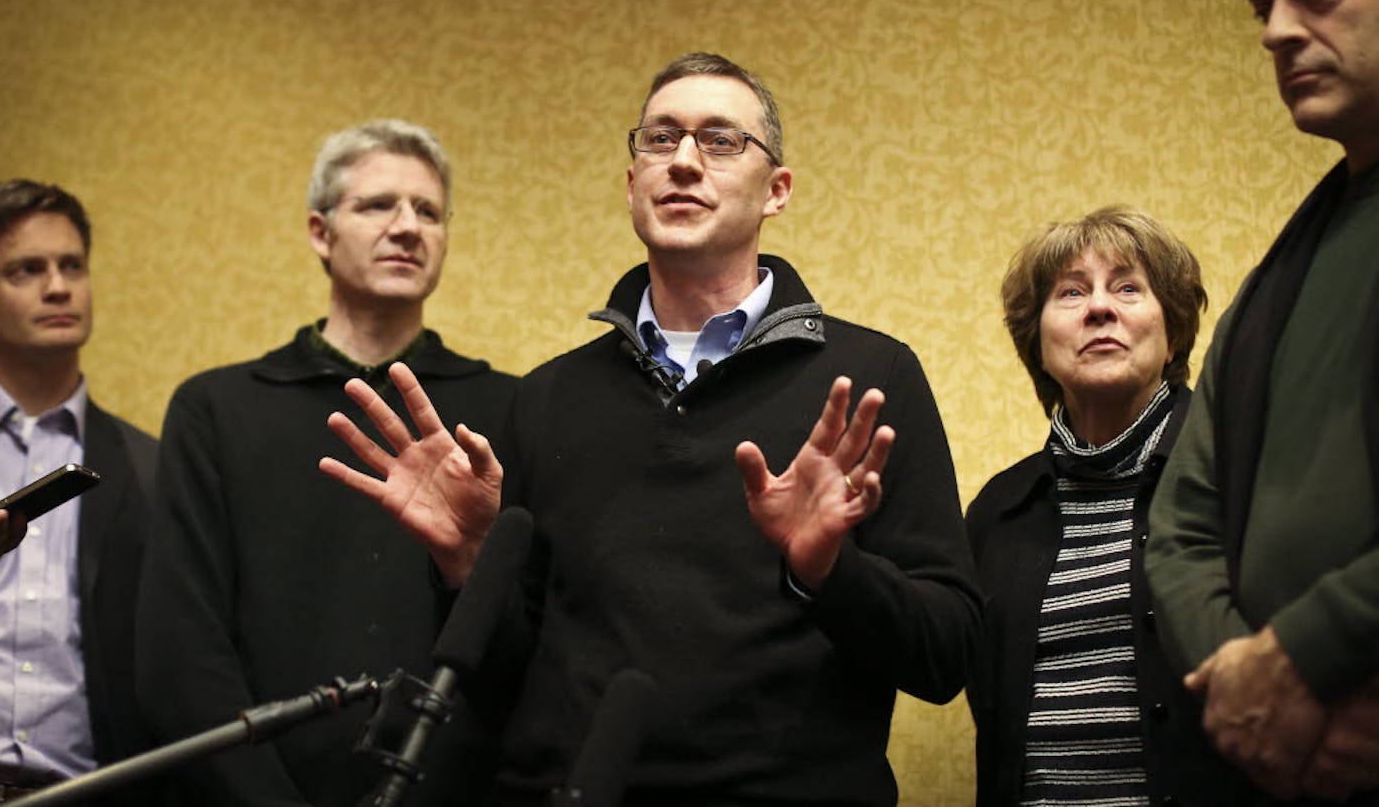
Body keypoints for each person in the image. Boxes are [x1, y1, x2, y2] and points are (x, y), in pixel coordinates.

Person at [321, 53, 982, 807]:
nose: (685, 162)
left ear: (779, 191)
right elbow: (507, 683)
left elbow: (947, 654)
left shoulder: (868, 378)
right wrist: (471, 566)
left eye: (721, 140)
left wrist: (828, 571)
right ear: (632, 182)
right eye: (660, 140)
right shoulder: (547, 397)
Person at [135, 120, 517, 806]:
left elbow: (530, 650)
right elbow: (181, 656)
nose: (407, 227)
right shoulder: (217, 409)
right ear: (320, 231)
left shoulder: (507, 411)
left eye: (428, 211)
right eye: (377, 206)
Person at [1145, 0, 1379, 803]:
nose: (1278, 30)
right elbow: (1179, 530)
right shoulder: (1273, 285)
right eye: (1263, 5)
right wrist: (1249, 683)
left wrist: (1312, 653)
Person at [965, 206, 1247, 806]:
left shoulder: (1243, 473)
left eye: (1127, 288)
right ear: (1037, 344)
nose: (1099, 308)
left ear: (1172, 334)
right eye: (1071, 292)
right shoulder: (997, 510)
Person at [0, 180, 156, 803]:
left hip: (94, 792)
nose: (59, 287)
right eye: (26, 270)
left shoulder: (155, 468)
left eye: (72, 266)